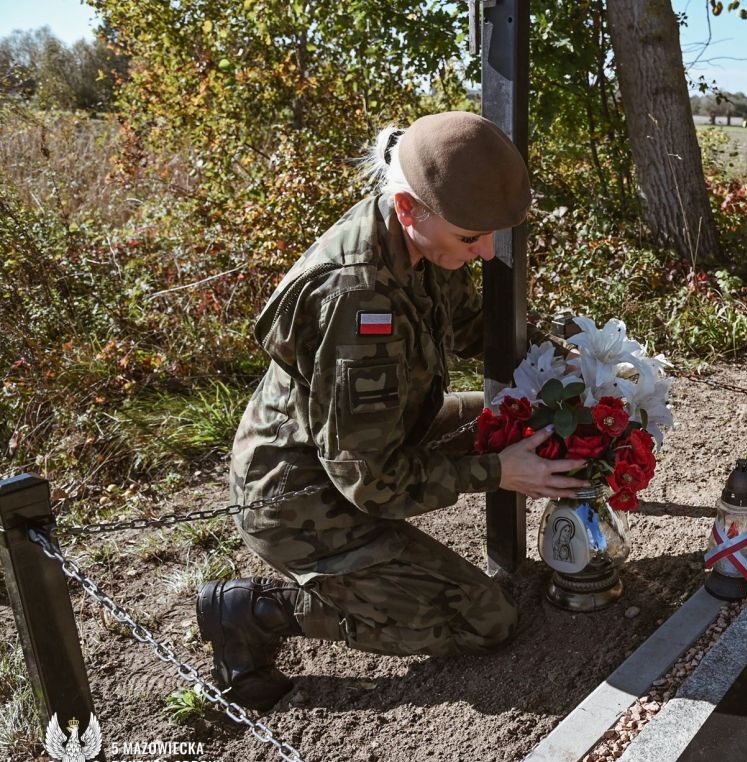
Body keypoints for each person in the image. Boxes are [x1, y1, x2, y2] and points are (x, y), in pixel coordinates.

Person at [197, 111, 588, 711]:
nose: (486, 253)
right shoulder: (360, 303)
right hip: (304, 500)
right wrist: (497, 471)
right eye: (470, 238)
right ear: (410, 209)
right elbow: (371, 484)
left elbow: (469, 327)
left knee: (499, 414)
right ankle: (259, 611)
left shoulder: (416, 240)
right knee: (486, 620)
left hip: (377, 441)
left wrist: (567, 365)